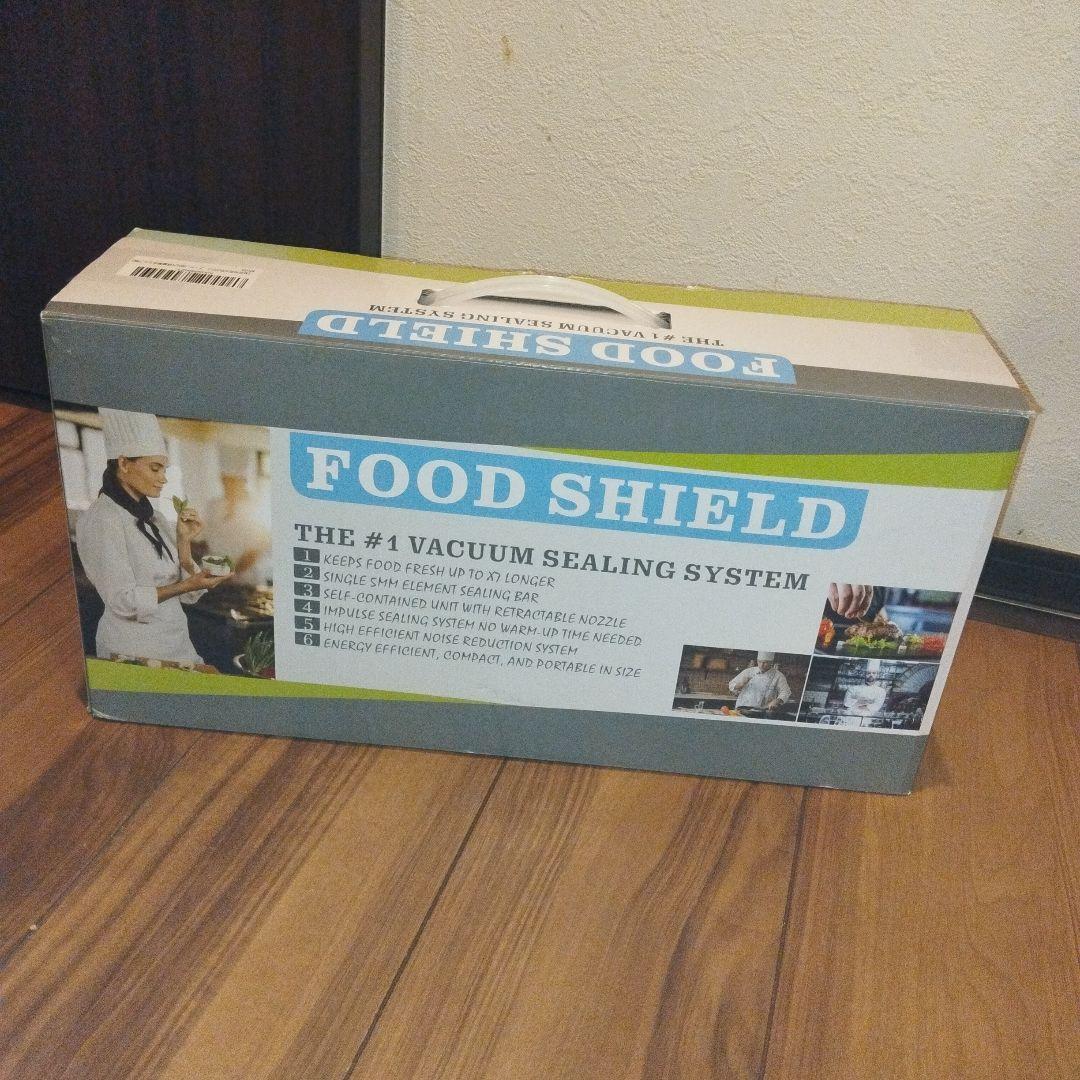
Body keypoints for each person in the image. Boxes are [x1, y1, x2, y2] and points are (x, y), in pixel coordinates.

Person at [75, 409, 230, 665]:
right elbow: (123, 601)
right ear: (124, 464)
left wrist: (183, 542)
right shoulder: (102, 519)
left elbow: (187, 595)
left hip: (176, 644)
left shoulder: (155, 517)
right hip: (133, 649)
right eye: (155, 468)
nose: (163, 479)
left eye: (164, 469)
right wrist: (186, 586)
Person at [199, 446, 271, 586]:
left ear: (243, 481)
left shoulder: (255, 508)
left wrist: (231, 573)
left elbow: (255, 551)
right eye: (225, 480)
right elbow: (208, 541)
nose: (228, 486)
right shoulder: (213, 506)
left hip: (245, 580)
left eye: (233, 481)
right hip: (214, 578)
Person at [728, 652, 792, 714]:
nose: (761, 665)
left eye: (765, 662)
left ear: (771, 662)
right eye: (759, 661)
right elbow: (731, 685)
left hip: (763, 711)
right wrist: (740, 684)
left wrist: (777, 700)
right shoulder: (749, 671)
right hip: (742, 708)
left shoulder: (778, 675)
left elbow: (786, 692)